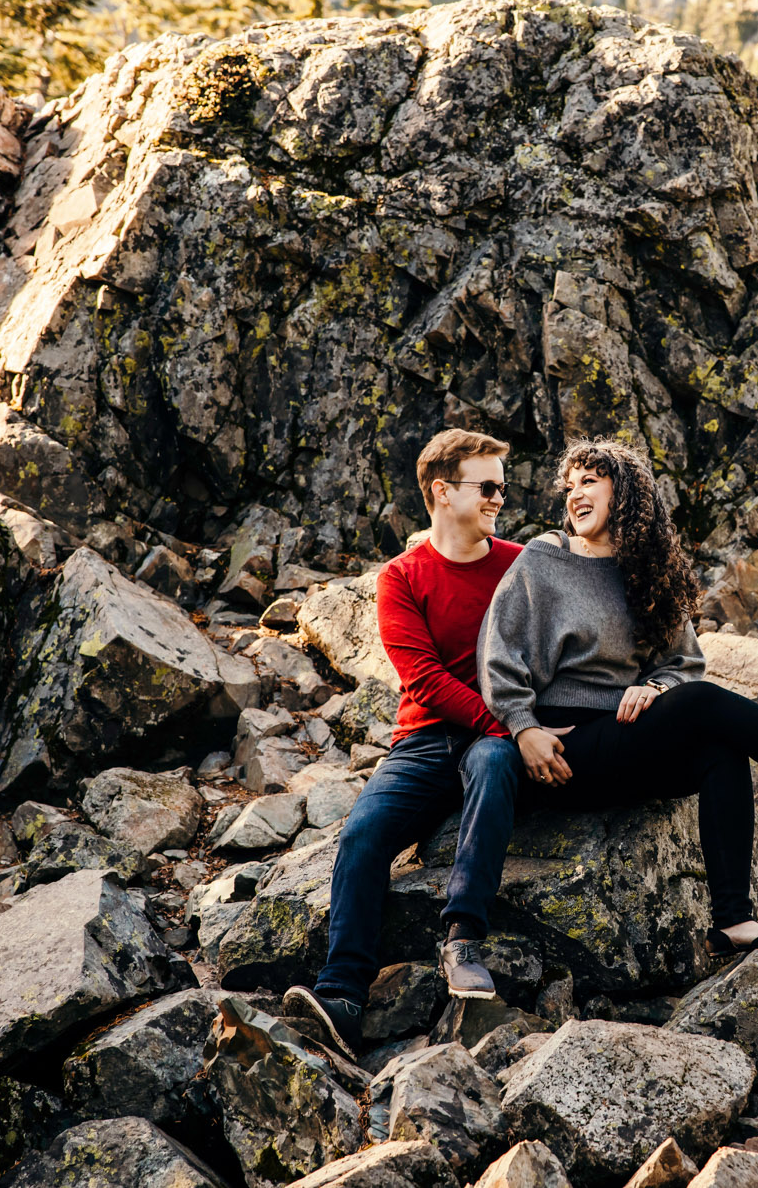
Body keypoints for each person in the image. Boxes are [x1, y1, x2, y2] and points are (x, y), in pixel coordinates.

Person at [477, 438, 758, 960]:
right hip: (562, 749)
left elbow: (683, 663)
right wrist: (523, 726)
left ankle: (733, 920)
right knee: (703, 705)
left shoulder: (644, 570)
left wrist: (654, 686)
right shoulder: (544, 558)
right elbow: (497, 653)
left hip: (625, 742)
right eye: (570, 486)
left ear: (624, 492)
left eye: (590, 481)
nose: (575, 496)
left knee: (720, 750)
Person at [282, 428, 535, 1061]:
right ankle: (341, 996)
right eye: (488, 486)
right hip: (424, 740)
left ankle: (463, 940)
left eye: (503, 486)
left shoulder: (522, 565)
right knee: (363, 837)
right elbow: (422, 678)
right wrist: (510, 726)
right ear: (443, 492)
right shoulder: (402, 577)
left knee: (497, 761)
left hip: (495, 739)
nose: (500, 498)